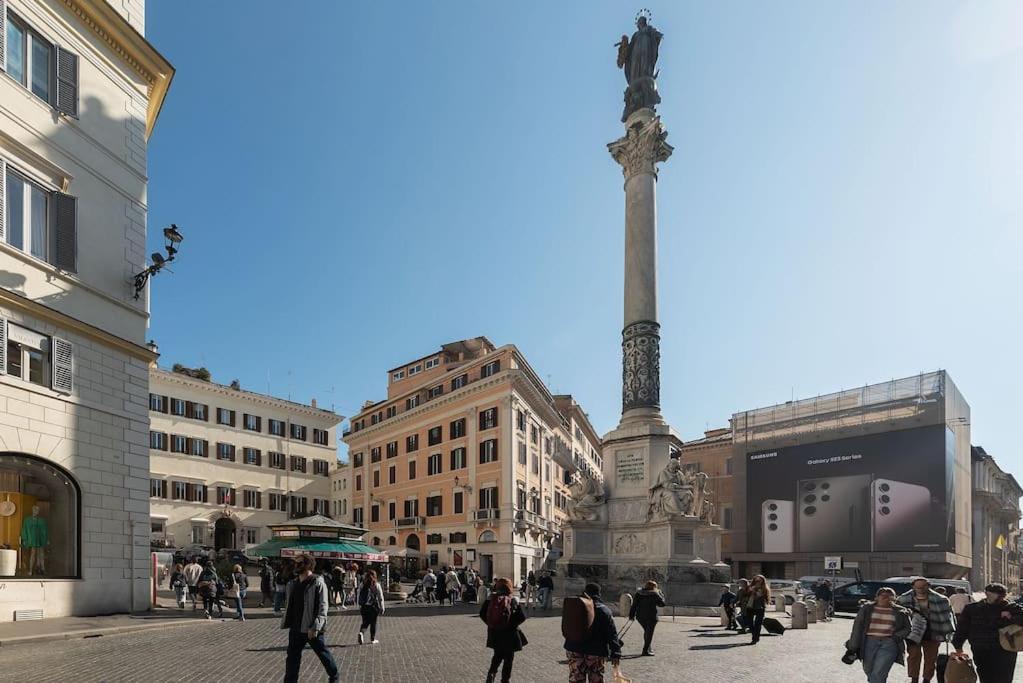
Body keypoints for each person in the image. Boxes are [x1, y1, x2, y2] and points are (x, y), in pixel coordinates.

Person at [281, 553, 338, 683]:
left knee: (323, 655)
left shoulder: (317, 582)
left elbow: (323, 608)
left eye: (299, 563)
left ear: (307, 565)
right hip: (295, 628)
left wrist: (316, 626)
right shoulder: (293, 584)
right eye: (295, 563)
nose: (296, 566)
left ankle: (334, 676)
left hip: (311, 628)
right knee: (292, 659)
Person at [952, 582, 1023, 683]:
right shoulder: (972, 608)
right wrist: (958, 645)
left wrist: (1010, 617)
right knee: (985, 676)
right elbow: (962, 628)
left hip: (1005, 648)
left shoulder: (1011, 607)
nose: (996, 598)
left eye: (1000, 595)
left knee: (1004, 677)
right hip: (981, 648)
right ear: (986, 593)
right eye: (992, 594)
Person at [845, 587, 912, 683]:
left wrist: (896, 636)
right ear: (877, 597)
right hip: (869, 642)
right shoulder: (867, 609)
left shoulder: (900, 611)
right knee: (868, 669)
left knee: (879, 671)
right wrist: (853, 646)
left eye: (890, 596)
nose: (887, 598)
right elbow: (857, 627)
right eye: (883, 596)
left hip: (889, 643)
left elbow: (908, 628)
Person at [897, 577, 955, 683]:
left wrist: (948, 631)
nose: (920, 589)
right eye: (918, 587)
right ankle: (914, 679)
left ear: (928, 586)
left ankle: (926, 679)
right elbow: (898, 617)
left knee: (931, 659)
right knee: (914, 656)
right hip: (913, 632)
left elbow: (949, 616)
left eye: (923, 586)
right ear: (913, 587)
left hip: (933, 631)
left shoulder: (941, 599)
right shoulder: (903, 599)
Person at [564, 583, 622, 683]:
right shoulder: (604, 610)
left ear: (585, 592)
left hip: (574, 648)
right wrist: (616, 653)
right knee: (596, 678)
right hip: (596, 651)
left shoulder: (575, 606)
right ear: (599, 594)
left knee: (576, 678)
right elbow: (612, 634)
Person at [479, 576, 527, 683]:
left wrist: (491, 624)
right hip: (510, 635)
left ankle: (491, 674)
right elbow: (522, 617)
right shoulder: (512, 599)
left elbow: (482, 614)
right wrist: (512, 624)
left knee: (497, 656)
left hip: (495, 633)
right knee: (508, 660)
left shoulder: (491, 599)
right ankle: (505, 680)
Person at [629, 580, 666, 656]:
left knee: (647, 632)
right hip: (651, 617)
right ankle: (645, 650)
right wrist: (661, 595)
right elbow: (662, 604)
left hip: (640, 616)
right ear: (654, 587)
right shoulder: (655, 594)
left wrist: (631, 615)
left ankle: (648, 648)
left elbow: (634, 605)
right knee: (649, 633)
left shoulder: (639, 593)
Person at [357, 568, 386, 644]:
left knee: (365, 622)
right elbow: (380, 597)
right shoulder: (376, 584)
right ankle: (372, 639)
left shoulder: (362, 584)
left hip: (364, 606)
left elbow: (358, 594)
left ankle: (361, 633)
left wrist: (359, 605)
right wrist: (382, 607)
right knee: (373, 623)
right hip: (373, 607)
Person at [746, 575, 771, 644]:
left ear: (762, 581)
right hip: (750, 606)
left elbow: (761, 597)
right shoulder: (750, 587)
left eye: (759, 581)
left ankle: (755, 638)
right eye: (756, 581)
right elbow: (745, 595)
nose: (758, 582)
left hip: (760, 607)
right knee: (749, 623)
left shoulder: (764, 589)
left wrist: (755, 591)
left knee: (758, 623)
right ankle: (754, 634)